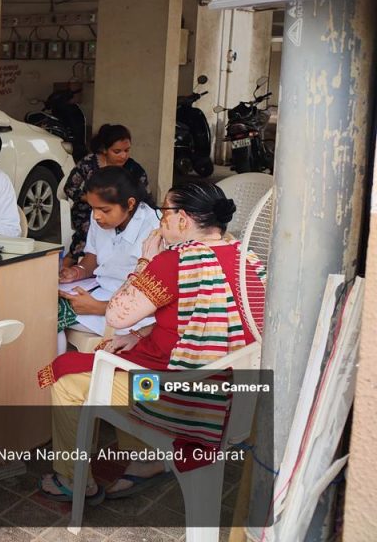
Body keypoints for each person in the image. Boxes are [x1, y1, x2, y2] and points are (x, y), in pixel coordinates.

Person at [35, 183, 265, 503]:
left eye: (165, 212)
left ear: (183, 219)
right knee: (127, 353)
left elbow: (116, 315)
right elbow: (201, 318)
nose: (160, 220)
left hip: (178, 396)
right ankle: (147, 460)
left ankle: (73, 480)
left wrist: (145, 262)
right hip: (233, 391)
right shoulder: (245, 255)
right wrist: (140, 333)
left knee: (67, 375)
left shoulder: (174, 261)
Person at [56, 167, 158, 351]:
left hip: (133, 314)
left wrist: (99, 307)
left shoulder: (154, 230)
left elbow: (154, 298)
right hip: (101, 292)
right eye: (93, 208)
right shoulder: (100, 218)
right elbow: (92, 257)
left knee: (46, 317)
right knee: (42, 304)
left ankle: (56, 366)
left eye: (104, 210)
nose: (96, 216)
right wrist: (77, 271)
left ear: (130, 204)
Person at [62, 123, 149, 266]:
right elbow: (70, 188)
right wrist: (93, 202)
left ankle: (110, 264)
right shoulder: (89, 163)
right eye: (117, 151)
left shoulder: (134, 170)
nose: (123, 156)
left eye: (127, 150)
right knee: (89, 224)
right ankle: (72, 261)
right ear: (104, 149)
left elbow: (143, 196)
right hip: (86, 208)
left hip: (124, 212)